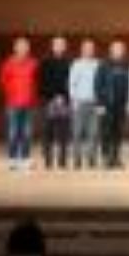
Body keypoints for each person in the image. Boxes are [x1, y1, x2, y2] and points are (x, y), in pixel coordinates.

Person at [0, 37, 39, 171]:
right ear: (15, 48)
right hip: (12, 103)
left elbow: (37, 82)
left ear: (28, 49)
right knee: (13, 132)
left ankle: (25, 159)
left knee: (27, 133)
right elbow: (3, 81)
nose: (23, 49)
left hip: (29, 103)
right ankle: (12, 159)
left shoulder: (34, 63)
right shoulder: (8, 63)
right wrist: (11, 94)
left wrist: (33, 96)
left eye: (25, 46)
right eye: (20, 46)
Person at [94, 40, 129, 169]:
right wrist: (99, 104)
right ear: (111, 50)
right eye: (116, 48)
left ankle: (116, 157)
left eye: (121, 49)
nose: (118, 51)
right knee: (106, 131)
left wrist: (127, 102)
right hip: (106, 104)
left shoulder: (126, 65)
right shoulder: (103, 64)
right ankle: (106, 158)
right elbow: (97, 85)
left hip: (121, 105)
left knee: (118, 132)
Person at [39, 36, 71, 170]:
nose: (59, 47)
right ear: (52, 46)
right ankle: (48, 159)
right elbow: (42, 82)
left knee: (63, 131)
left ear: (65, 47)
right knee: (48, 131)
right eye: (57, 44)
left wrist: (64, 96)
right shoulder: (45, 62)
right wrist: (53, 96)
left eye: (61, 44)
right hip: (49, 100)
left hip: (64, 100)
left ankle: (62, 160)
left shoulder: (69, 62)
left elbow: (70, 83)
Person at [69, 39, 101, 169]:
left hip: (94, 103)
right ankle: (77, 159)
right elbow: (72, 84)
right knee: (77, 132)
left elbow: (100, 85)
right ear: (82, 50)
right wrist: (74, 100)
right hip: (80, 102)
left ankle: (91, 159)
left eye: (91, 48)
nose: (88, 50)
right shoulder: (76, 64)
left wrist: (100, 102)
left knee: (93, 133)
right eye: (86, 48)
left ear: (93, 50)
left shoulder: (98, 64)